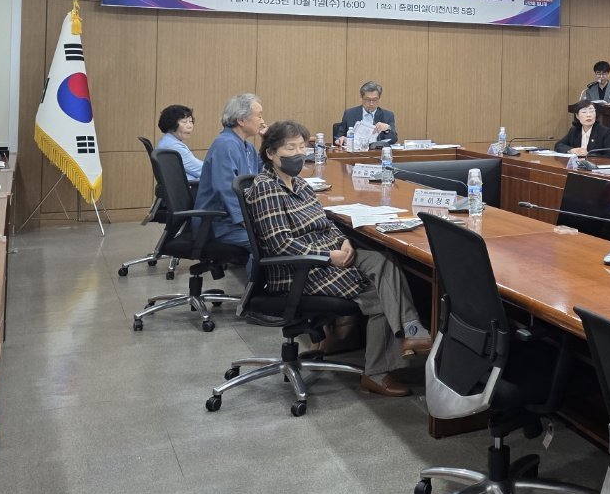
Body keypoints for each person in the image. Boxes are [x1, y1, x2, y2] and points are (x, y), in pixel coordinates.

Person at [246, 119, 429, 397]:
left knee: (384, 260)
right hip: (300, 270)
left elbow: (326, 223)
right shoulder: (265, 187)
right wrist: (329, 256)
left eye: (301, 147)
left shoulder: (300, 184)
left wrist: (344, 241)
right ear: (271, 153)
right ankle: (379, 371)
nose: (298, 154)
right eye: (290, 148)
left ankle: (413, 332)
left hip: (328, 254)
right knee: (382, 297)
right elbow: (280, 243)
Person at [194, 93, 265, 245]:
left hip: (236, 220)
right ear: (241, 120)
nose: (262, 121)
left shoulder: (247, 147)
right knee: (269, 243)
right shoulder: (225, 145)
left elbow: (262, 177)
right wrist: (248, 223)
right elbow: (226, 189)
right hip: (221, 224)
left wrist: (268, 143)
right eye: (259, 116)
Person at [336, 81, 398, 147]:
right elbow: (339, 137)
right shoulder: (349, 114)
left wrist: (387, 128)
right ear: (361, 98)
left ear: (379, 99)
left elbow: (394, 140)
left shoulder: (387, 115)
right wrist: (341, 139)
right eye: (368, 99)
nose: (371, 103)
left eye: (375, 100)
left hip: (377, 151)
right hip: (355, 151)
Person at [155, 104, 204, 181]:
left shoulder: (168, 141)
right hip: (190, 186)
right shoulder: (172, 145)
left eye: (191, 121)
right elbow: (200, 170)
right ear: (171, 124)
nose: (190, 126)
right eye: (184, 122)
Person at [579, 60, 610, 130]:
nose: (601, 76)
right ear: (595, 74)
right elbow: (588, 105)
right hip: (594, 123)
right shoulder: (590, 89)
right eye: (598, 74)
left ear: (608, 74)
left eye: (603, 74)